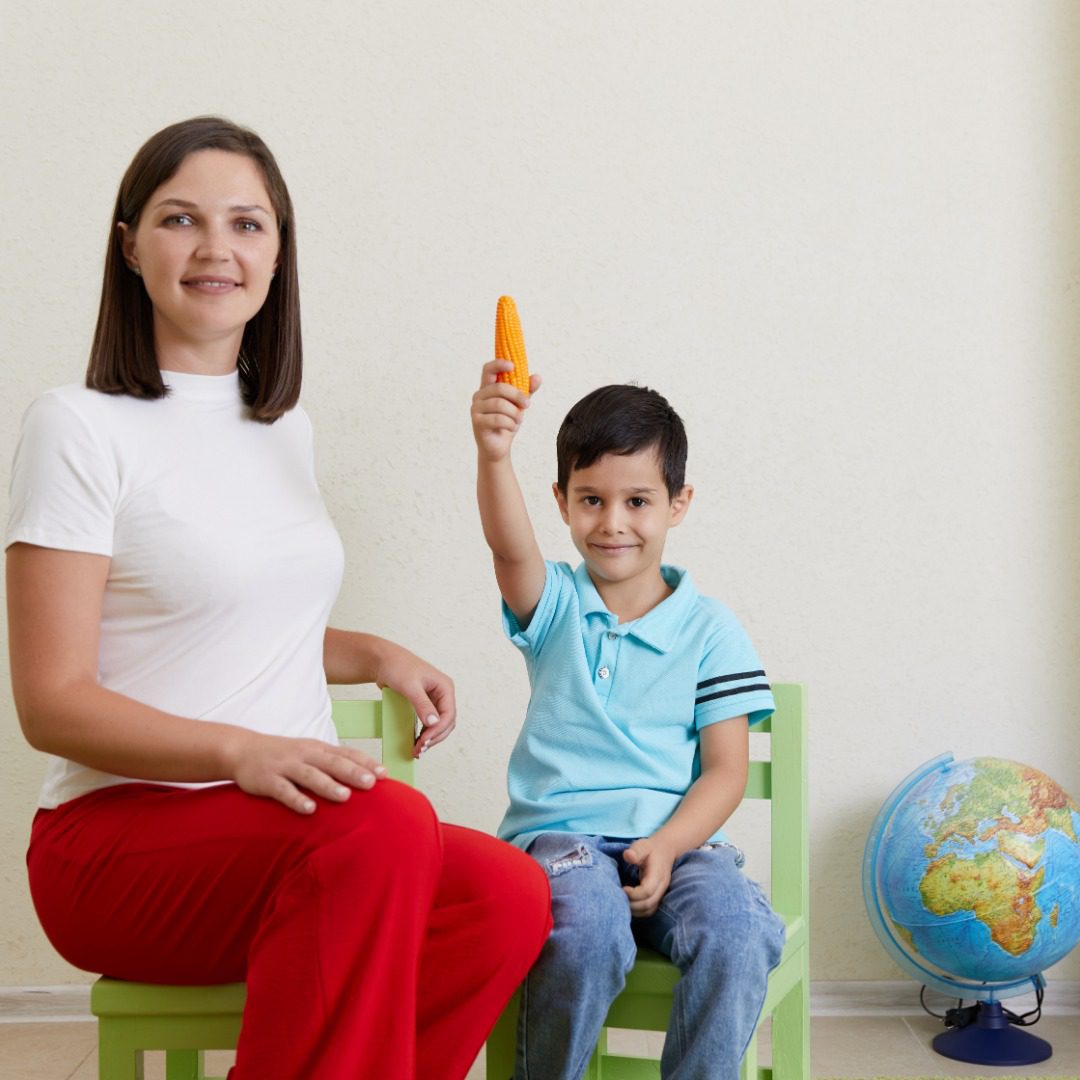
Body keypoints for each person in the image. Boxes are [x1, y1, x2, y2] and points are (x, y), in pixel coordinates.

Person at [6, 116, 551, 1080]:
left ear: (278, 253)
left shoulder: (281, 428)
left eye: (248, 225)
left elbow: (230, 617)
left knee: (504, 892)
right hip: (118, 845)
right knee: (384, 826)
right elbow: (52, 701)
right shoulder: (76, 427)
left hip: (291, 841)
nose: (217, 248)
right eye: (181, 219)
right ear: (130, 246)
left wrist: (376, 652)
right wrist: (240, 752)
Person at [470, 361, 787, 1080]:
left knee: (735, 929)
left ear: (678, 503)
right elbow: (508, 546)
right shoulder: (553, 605)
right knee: (585, 931)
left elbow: (726, 771)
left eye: (638, 500)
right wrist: (494, 454)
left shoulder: (711, 631)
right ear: (561, 501)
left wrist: (671, 845)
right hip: (564, 844)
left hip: (680, 847)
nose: (613, 524)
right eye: (591, 500)